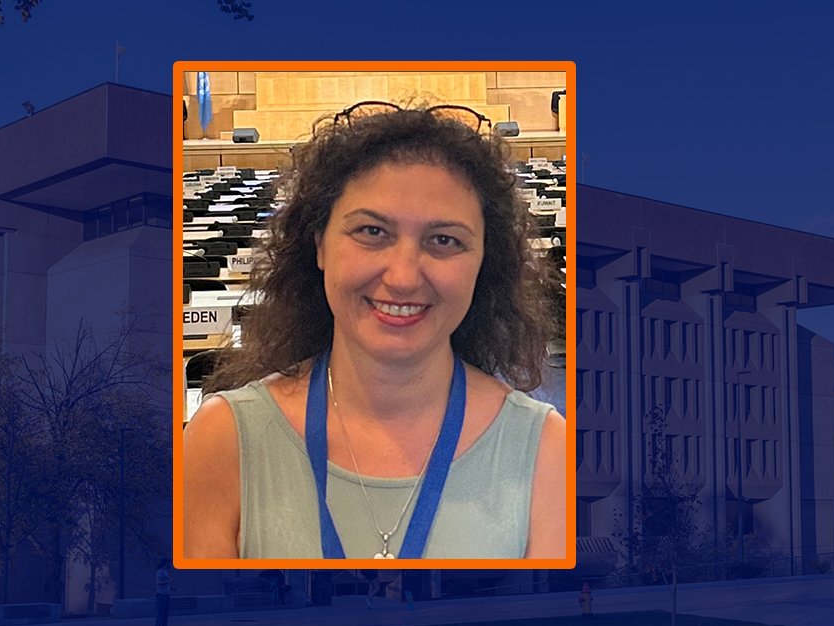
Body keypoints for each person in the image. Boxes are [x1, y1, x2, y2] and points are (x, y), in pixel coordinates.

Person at [183, 102, 567, 559]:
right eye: (371, 231)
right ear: (319, 245)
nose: (403, 276)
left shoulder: (545, 449)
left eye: (444, 240)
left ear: (484, 263)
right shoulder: (221, 438)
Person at [153, 558, 172, 626]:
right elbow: (158, 582)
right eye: (169, 563)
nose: (169, 565)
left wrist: (171, 588)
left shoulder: (165, 572)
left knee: (165, 614)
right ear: (165, 563)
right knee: (160, 614)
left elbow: (165, 583)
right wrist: (169, 580)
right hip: (161, 595)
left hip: (166, 595)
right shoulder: (159, 572)